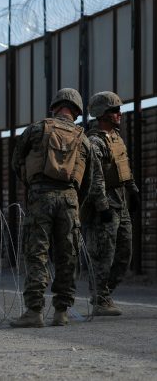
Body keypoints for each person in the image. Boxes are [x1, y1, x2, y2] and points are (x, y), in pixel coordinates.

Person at [10, 88, 107, 328]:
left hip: (40, 196)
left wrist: (33, 184)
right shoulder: (83, 138)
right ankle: (61, 312)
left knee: (37, 254)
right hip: (70, 200)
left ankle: (34, 311)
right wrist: (75, 201)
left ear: (54, 106)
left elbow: (16, 161)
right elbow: (91, 179)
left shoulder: (36, 129)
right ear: (76, 111)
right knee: (67, 256)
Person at [83, 91, 140, 316]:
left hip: (120, 203)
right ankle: (100, 299)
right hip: (104, 206)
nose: (119, 114)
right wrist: (102, 206)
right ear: (102, 114)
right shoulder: (94, 141)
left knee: (124, 253)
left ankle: (104, 293)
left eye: (118, 109)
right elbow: (95, 177)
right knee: (102, 254)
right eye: (114, 110)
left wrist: (132, 190)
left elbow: (123, 165)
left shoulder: (116, 137)